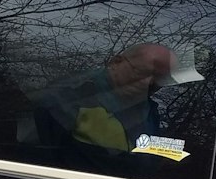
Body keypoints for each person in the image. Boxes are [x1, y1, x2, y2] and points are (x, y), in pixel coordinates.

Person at [27, 42, 180, 169]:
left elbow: (146, 149)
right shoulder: (69, 99)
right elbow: (34, 159)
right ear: (115, 62)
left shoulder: (151, 110)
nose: (148, 83)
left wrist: (172, 155)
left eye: (160, 79)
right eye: (142, 73)